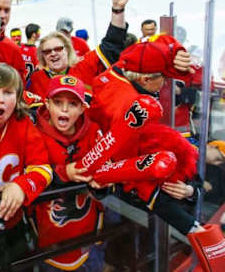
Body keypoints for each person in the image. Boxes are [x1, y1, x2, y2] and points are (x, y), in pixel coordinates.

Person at [87, 39, 225, 270]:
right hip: (123, 190)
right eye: (164, 77)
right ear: (146, 79)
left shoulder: (118, 73)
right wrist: (191, 226)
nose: (167, 83)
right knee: (129, 244)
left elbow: (138, 51)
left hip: (128, 183)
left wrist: (173, 49)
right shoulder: (129, 106)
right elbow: (137, 174)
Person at [0, 63, 52, 267]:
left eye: (8, 92)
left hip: (14, 222)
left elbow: (43, 168)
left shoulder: (23, 124)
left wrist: (21, 186)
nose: (0, 99)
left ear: (17, 97)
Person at [34, 75, 103, 272]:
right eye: (57, 102)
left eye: (72, 104)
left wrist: (104, 180)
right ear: (46, 104)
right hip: (49, 237)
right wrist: (65, 173)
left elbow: (106, 171)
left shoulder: (94, 131)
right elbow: (28, 174)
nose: (64, 109)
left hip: (88, 235)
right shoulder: (33, 133)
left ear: (83, 108)